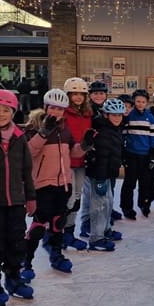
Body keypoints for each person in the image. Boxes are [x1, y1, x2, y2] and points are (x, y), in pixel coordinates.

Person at [24, 89, 92, 279]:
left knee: (58, 223)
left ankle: (57, 254)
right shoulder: (32, 128)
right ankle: (26, 261)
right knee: (38, 225)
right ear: (45, 108)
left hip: (62, 184)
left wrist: (85, 145)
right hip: (42, 185)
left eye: (60, 109)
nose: (56, 112)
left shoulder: (64, 129)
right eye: (53, 108)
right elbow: (28, 153)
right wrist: (44, 133)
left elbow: (73, 153)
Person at [0, 88, 36, 305]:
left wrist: (30, 197)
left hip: (16, 200)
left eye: (6, 110)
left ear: (13, 113)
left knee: (16, 239)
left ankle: (13, 276)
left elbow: (26, 169)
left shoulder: (19, 138)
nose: (1, 115)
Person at [84, 98, 126, 250]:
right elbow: (101, 157)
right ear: (106, 115)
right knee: (99, 205)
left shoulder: (115, 130)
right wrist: (100, 178)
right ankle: (96, 237)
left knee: (108, 202)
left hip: (108, 172)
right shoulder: (102, 131)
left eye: (119, 115)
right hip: (99, 173)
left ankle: (105, 229)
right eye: (113, 115)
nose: (117, 118)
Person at [62, 77, 93, 247]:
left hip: (81, 161)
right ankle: (60, 232)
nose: (78, 97)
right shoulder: (64, 113)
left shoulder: (87, 113)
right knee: (70, 199)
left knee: (77, 197)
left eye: (81, 94)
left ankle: (69, 232)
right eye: (74, 94)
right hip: (67, 162)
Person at [121, 88, 154, 219]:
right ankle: (127, 207)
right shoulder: (130, 115)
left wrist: (152, 154)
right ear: (134, 102)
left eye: (143, 101)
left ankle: (144, 204)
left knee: (145, 182)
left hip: (145, 155)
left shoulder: (150, 116)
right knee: (129, 182)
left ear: (147, 103)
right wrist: (124, 153)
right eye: (137, 101)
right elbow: (124, 134)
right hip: (131, 154)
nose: (140, 104)